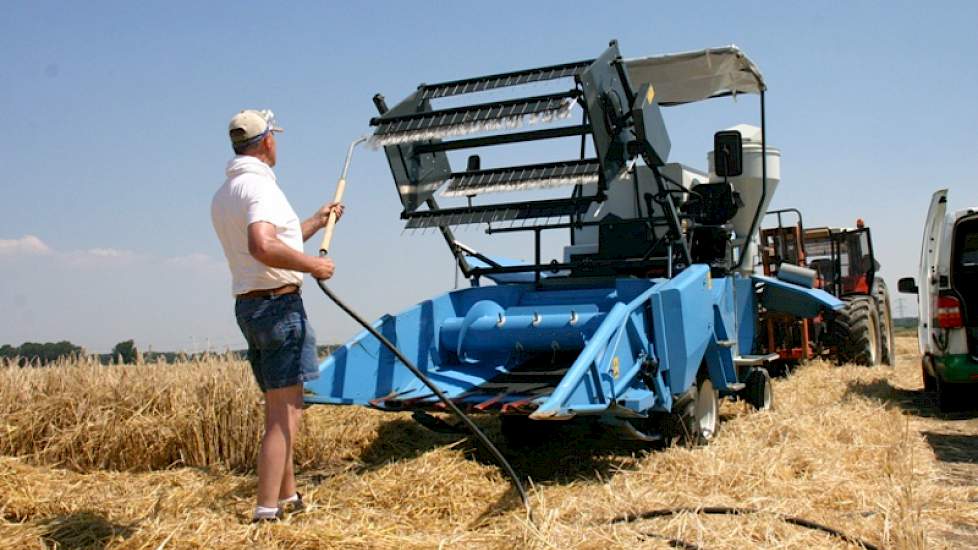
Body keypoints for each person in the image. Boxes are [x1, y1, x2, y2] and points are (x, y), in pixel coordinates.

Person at [210, 109, 343, 522]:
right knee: (282, 416)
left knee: (282, 406)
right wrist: (312, 265)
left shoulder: (226, 192)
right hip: (279, 306)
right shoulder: (260, 188)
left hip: (250, 306)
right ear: (267, 141)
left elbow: (273, 241)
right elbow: (263, 246)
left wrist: (317, 222)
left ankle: (288, 498)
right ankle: (266, 512)